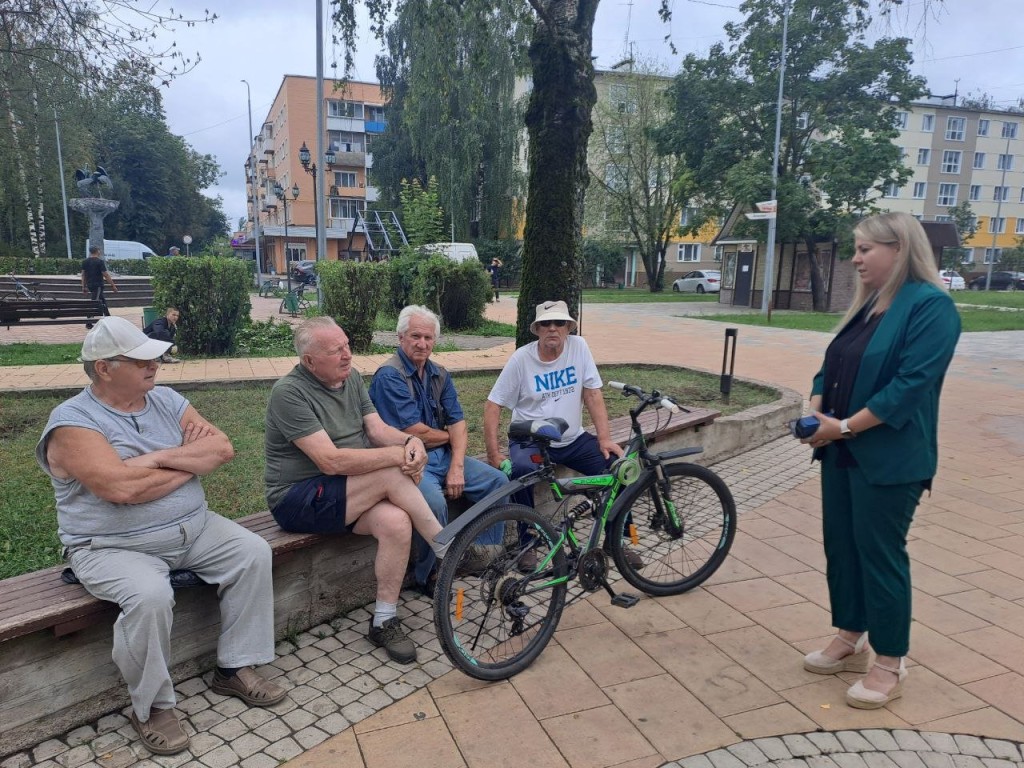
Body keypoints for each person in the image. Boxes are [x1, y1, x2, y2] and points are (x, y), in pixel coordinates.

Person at [36, 316, 285, 756]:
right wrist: (189, 463)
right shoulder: (71, 422)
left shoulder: (166, 399)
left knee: (252, 552)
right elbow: (120, 489)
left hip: (195, 527)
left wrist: (159, 458)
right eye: (142, 360)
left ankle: (234, 668)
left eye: (157, 356)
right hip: (112, 547)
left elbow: (223, 449)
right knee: (149, 596)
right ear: (104, 369)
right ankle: (151, 706)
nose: (157, 364)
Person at [798, 212, 960, 709]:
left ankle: (890, 660)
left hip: (890, 461)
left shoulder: (931, 308)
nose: (856, 258)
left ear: (899, 249)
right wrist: (816, 406)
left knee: (880, 555)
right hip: (840, 453)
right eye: (856, 248)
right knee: (841, 547)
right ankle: (850, 633)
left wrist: (843, 427)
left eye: (866, 248)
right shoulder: (867, 306)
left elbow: (909, 388)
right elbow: (833, 363)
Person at [264, 316, 447, 663]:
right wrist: (398, 456)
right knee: (391, 471)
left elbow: (377, 429)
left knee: (396, 522)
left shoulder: (349, 379)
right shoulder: (288, 393)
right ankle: (447, 547)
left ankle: (384, 619)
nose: (347, 355)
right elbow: (330, 462)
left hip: (345, 492)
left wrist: (410, 440)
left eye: (347, 345)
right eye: (337, 351)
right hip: (297, 498)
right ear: (309, 361)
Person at [483, 299, 641, 569]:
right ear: (538, 329)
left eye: (559, 323)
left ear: (568, 327)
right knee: (521, 473)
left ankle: (617, 541)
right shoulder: (522, 359)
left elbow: (592, 393)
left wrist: (603, 438)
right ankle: (527, 544)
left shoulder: (579, 348)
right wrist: (494, 454)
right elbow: (493, 405)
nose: (552, 328)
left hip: (572, 439)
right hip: (530, 440)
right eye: (546, 323)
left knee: (620, 469)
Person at [369, 306, 509, 598]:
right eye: (415, 336)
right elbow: (415, 432)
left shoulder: (438, 373)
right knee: (434, 503)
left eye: (428, 337)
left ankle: (483, 556)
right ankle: (430, 574)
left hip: (443, 456)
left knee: (498, 482)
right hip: (407, 462)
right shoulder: (389, 376)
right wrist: (450, 435)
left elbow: (459, 420)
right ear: (400, 337)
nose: (422, 343)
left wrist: (456, 465)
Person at [80, 244, 117, 316]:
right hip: (98, 285)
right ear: (97, 251)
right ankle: (89, 321)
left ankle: (108, 317)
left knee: (102, 301)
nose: (99, 251)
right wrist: (113, 285)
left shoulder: (85, 261)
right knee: (95, 302)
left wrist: (83, 286)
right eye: (99, 250)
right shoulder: (100, 262)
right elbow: (106, 275)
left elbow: (83, 275)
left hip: (90, 285)